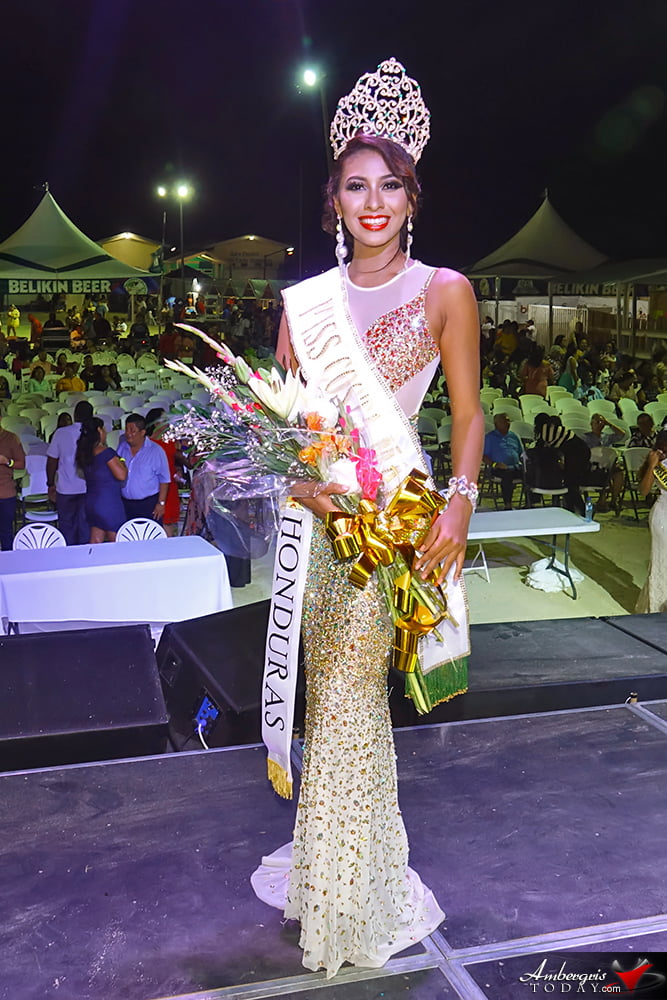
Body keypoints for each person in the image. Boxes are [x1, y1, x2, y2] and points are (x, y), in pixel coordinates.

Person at [250, 59, 483, 978]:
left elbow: (467, 416)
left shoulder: (445, 291)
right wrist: (297, 486)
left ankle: (348, 900)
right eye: (356, 184)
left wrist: (459, 503)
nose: (373, 200)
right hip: (316, 538)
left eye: (390, 183)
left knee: (350, 703)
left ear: (411, 196)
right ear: (332, 201)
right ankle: (346, 871)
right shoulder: (303, 308)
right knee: (335, 704)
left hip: (393, 531)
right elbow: (280, 432)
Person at [46, 399, 93, 544]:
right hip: (88, 489)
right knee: (86, 528)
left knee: (67, 529)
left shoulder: (60, 433)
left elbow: (52, 461)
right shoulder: (94, 433)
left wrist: (50, 484)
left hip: (65, 490)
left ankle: (69, 561)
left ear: (75, 415)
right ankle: (85, 562)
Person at [75, 417, 127, 542]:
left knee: (96, 541)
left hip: (92, 502)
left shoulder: (86, 453)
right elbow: (122, 475)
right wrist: (122, 461)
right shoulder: (106, 453)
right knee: (116, 541)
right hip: (108, 503)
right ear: (99, 430)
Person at [117, 413, 170, 521]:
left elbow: (164, 479)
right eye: (126, 429)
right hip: (126, 504)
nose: (128, 433)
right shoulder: (122, 448)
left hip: (148, 504)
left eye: (132, 430)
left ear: (142, 432)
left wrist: (161, 503)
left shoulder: (156, 451)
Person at [636, 429, 667, 612]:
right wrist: (651, 465)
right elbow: (644, 491)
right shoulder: (656, 463)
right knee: (661, 560)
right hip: (663, 515)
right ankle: (656, 605)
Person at [483, 412, 523, 509]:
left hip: (516, 466)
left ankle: (532, 502)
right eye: (505, 421)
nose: (508, 423)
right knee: (507, 474)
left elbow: (521, 452)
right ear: (497, 424)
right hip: (498, 468)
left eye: (508, 420)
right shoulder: (490, 438)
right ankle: (507, 505)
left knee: (531, 471)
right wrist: (495, 464)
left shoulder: (514, 436)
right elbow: (483, 456)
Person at [0, 417, 26, 549]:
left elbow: (22, 464)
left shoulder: (11, 438)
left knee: (6, 533)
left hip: (5, 493)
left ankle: (7, 565)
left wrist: (7, 462)